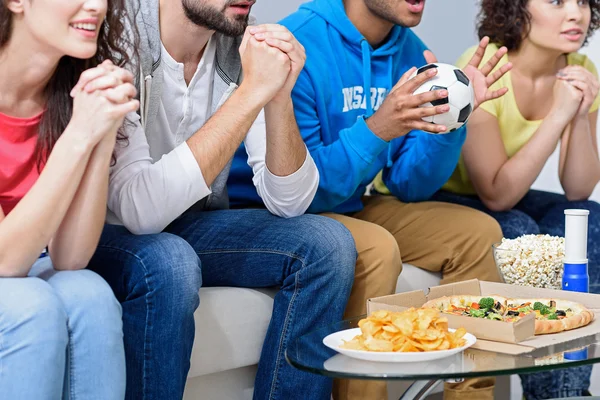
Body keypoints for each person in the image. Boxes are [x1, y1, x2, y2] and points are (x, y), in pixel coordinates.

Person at [227, 0, 512, 399]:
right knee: (376, 248)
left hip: (349, 202)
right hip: (274, 213)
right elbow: (303, 191)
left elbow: (409, 186)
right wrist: (379, 127)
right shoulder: (299, 43)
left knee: (478, 233)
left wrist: (451, 123)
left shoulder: (411, 53)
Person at [75, 0, 358, 399]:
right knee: (169, 261)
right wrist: (251, 93)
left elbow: (290, 202)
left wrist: (278, 95)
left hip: (190, 223)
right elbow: (138, 212)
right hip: (101, 231)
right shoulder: (119, 39)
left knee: (328, 245)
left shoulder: (240, 44)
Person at [432, 0, 600, 398]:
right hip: (450, 196)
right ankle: (549, 390)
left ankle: (564, 392)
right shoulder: (485, 68)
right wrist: (559, 115)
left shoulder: (581, 70)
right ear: (516, 9)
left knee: (587, 218)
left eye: (582, 2)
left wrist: (578, 114)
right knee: (521, 233)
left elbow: (578, 189)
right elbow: (497, 193)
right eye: (556, 2)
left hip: (507, 193)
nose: (576, 14)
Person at [0, 0, 137, 397]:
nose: (96, 6)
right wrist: (79, 135)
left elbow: (70, 258)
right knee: (31, 307)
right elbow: (6, 261)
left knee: (90, 294)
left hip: (23, 267)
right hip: (11, 268)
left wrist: (104, 125)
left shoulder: (74, 87)